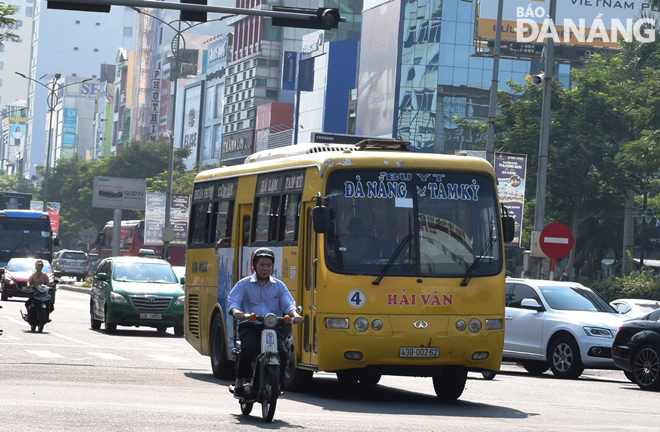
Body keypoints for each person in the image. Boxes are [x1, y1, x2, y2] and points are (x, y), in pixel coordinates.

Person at [227, 247, 303, 397]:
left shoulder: (279, 286)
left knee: (282, 352)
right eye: (261, 264)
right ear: (254, 265)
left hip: (272, 327)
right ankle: (239, 381)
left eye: (269, 265)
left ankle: (277, 385)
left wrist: (295, 314)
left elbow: (288, 304)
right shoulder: (244, 284)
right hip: (250, 326)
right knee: (248, 347)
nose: (265, 268)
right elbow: (233, 302)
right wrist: (238, 313)